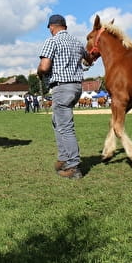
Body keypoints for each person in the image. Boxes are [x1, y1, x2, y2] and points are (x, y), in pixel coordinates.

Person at [37, 14, 93, 179]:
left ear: (51, 27)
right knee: (57, 122)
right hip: (76, 87)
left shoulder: (52, 41)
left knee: (65, 127)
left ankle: (73, 166)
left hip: (62, 87)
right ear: (65, 26)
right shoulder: (76, 42)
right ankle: (63, 158)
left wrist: (39, 72)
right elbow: (88, 60)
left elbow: (45, 66)